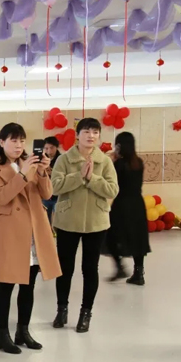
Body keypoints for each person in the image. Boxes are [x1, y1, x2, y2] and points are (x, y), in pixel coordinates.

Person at [0, 123, 62, 354]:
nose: (18, 145)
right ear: (2, 142)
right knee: (6, 285)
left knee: (29, 285)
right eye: (13, 140)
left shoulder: (31, 162)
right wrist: (23, 173)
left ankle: (23, 331)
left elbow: (47, 194)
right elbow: (2, 196)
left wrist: (42, 171)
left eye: (21, 141)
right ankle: (2, 334)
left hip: (34, 230)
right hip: (10, 232)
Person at [51, 118, 119, 333]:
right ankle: (62, 309)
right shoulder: (64, 159)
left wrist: (92, 179)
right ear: (77, 135)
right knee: (64, 269)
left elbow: (113, 190)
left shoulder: (105, 161)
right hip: (67, 220)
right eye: (87, 131)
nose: (91, 136)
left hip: (96, 222)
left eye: (95, 132)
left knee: (90, 269)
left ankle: (85, 313)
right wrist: (79, 176)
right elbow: (55, 187)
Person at [106, 132, 149, 285]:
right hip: (137, 204)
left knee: (110, 235)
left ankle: (120, 267)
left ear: (120, 146)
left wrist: (112, 160)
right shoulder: (139, 162)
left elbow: (113, 183)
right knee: (137, 238)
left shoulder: (118, 164)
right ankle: (139, 273)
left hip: (122, 204)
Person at [42, 136, 61, 223]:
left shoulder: (62, 159)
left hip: (58, 195)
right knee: (45, 220)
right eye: (46, 148)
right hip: (45, 194)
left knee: (58, 219)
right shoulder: (41, 159)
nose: (49, 151)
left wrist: (52, 173)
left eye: (52, 148)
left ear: (57, 147)